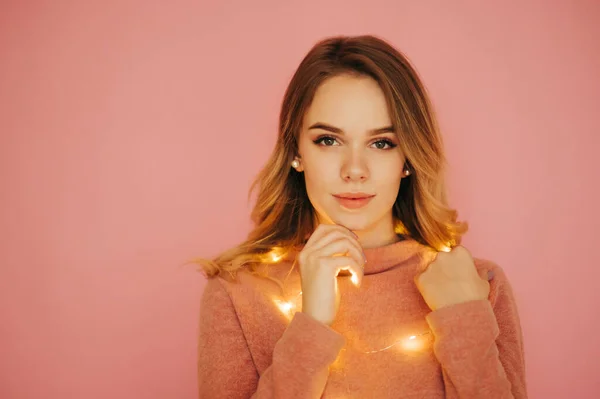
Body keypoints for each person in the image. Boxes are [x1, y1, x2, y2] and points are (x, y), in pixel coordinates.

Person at [195, 34, 527, 398]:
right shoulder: (238, 291)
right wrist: (312, 323)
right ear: (296, 152)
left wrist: (464, 319)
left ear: (408, 159)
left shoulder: (477, 284)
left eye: (381, 143)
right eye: (329, 140)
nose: (355, 170)